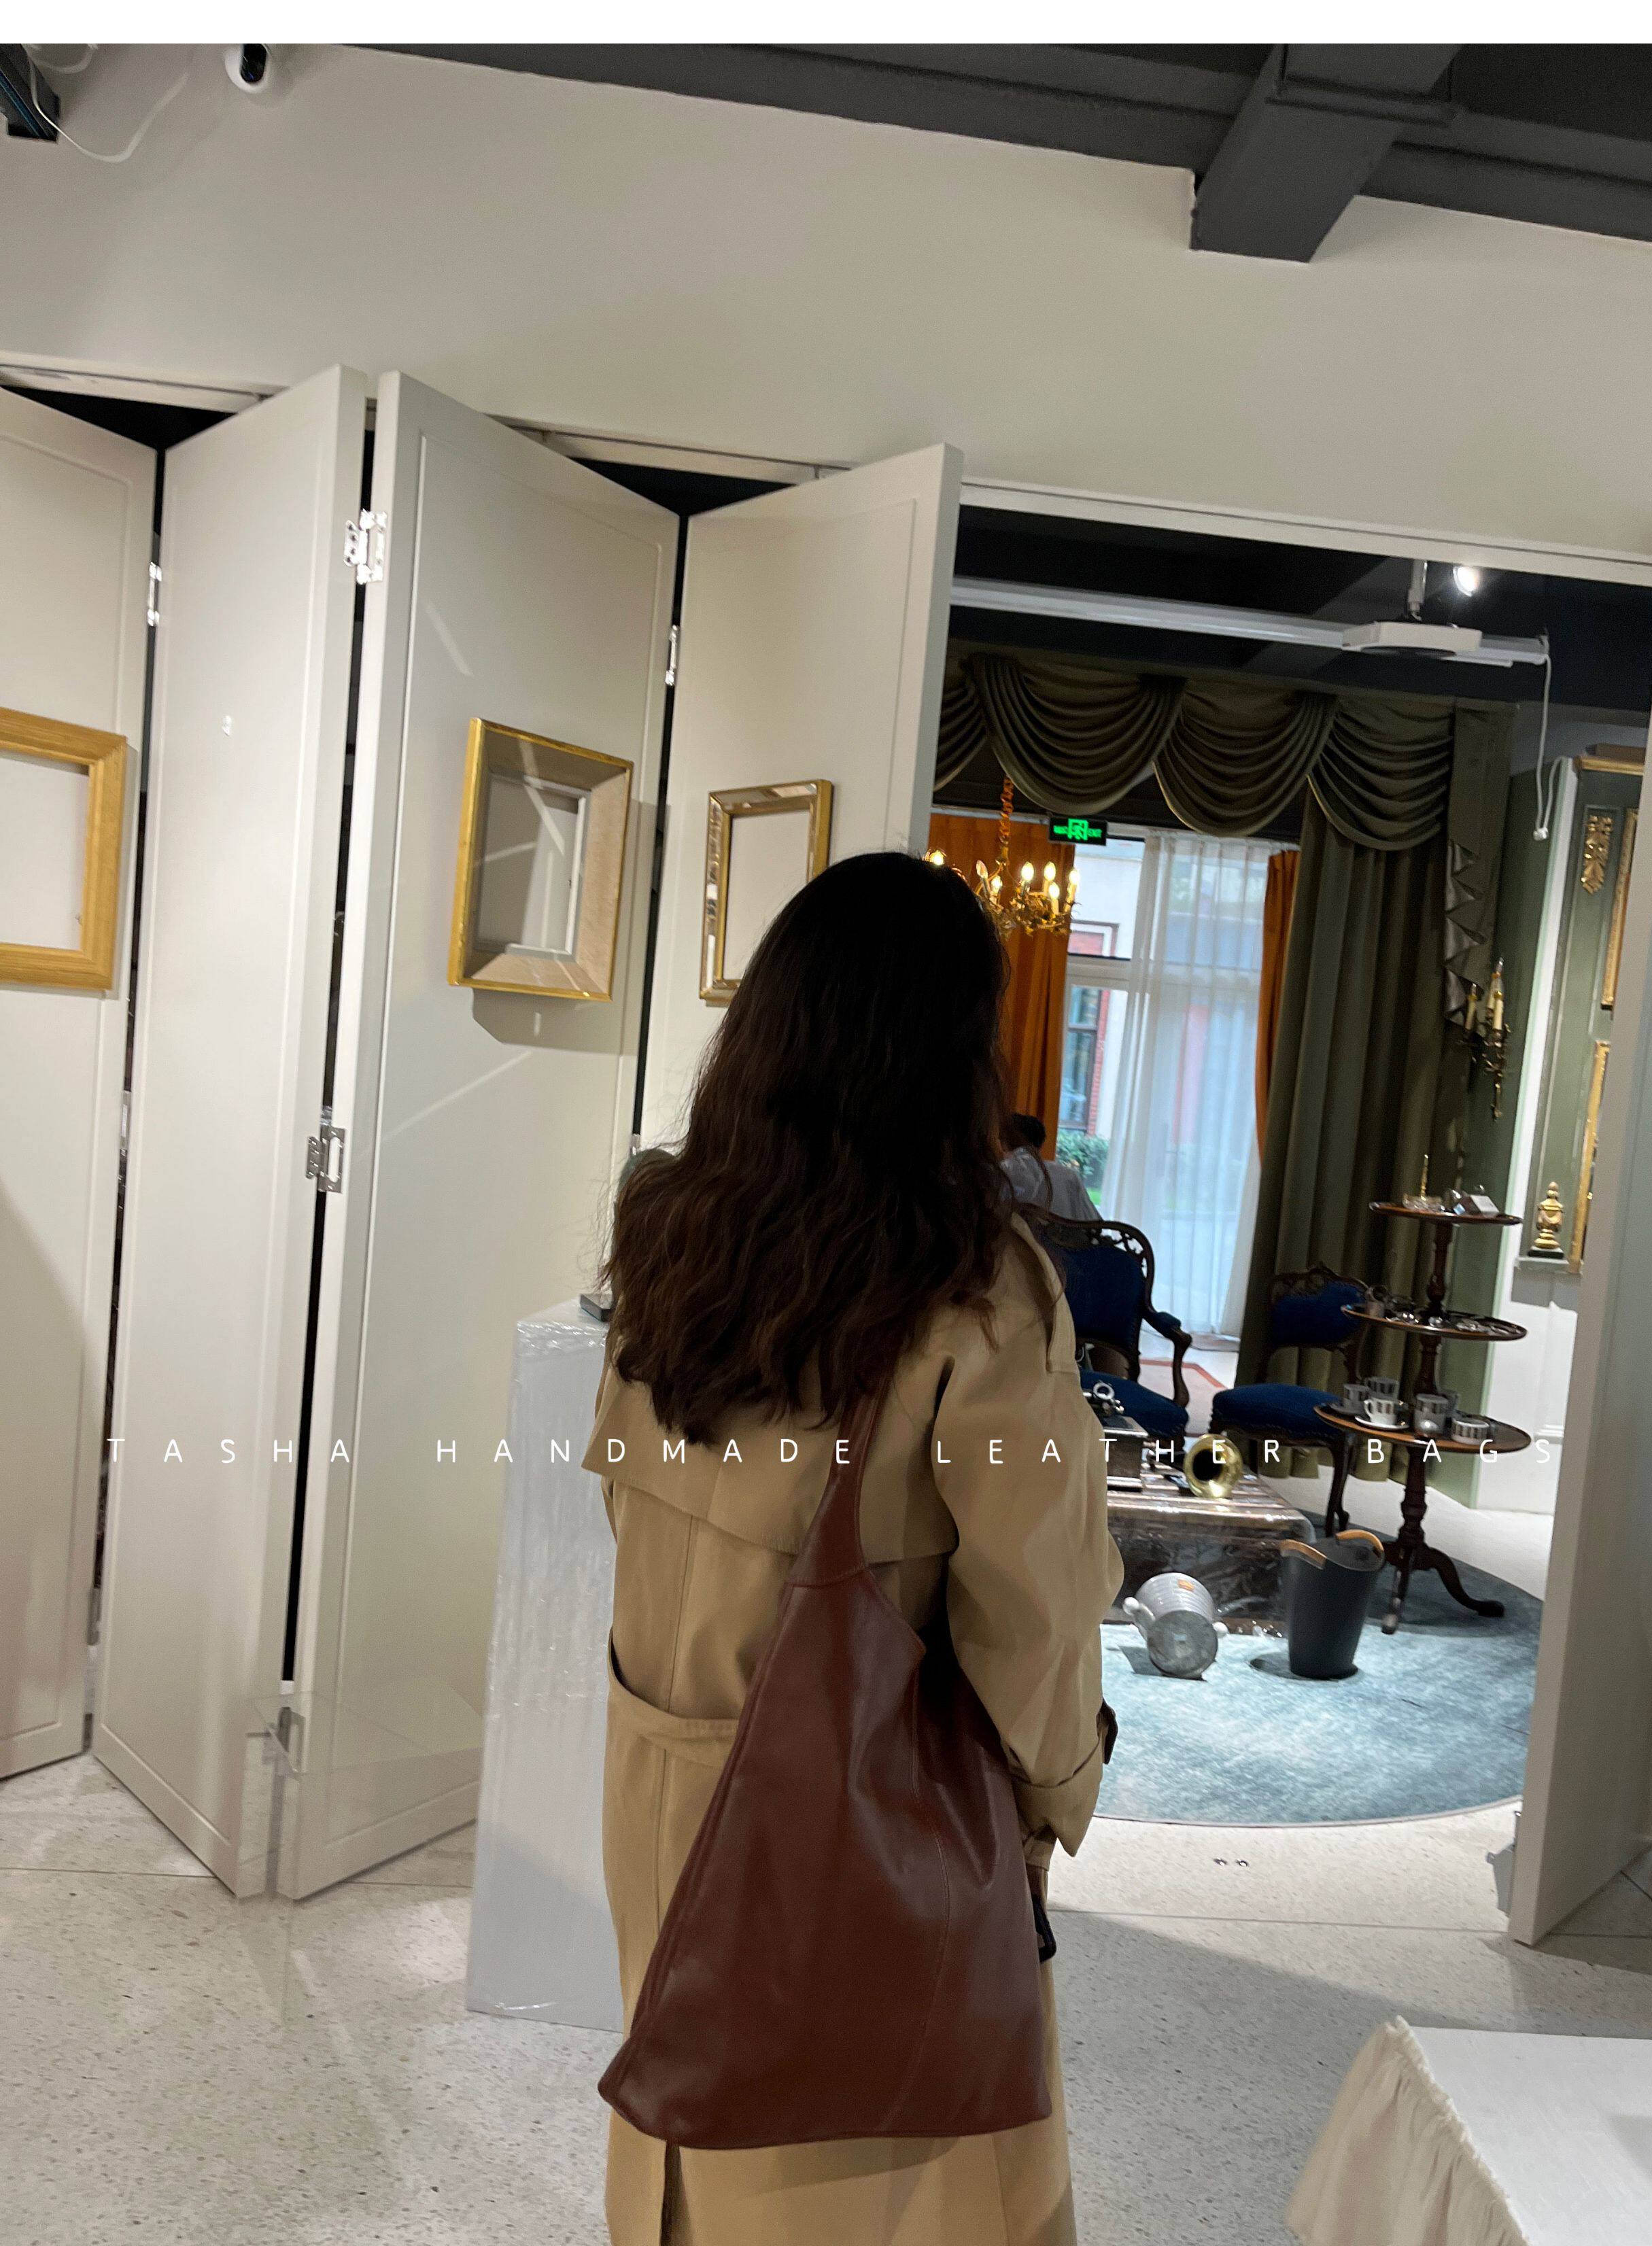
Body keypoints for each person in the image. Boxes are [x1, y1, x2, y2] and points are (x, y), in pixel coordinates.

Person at [586, 850, 1122, 2246]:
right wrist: (1056, 1794)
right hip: (852, 1791)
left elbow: (627, 1509)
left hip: (658, 1768)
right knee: (888, 2177)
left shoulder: (670, 1236)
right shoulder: (974, 1289)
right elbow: (1035, 1608)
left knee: (690, 2124)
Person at [1001, 1111, 1101, 1224]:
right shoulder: (1069, 1175)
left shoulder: (1002, 1172)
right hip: (1065, 1235)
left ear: (1004, 1143)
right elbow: (1093, 1223)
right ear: (1041, 1144)